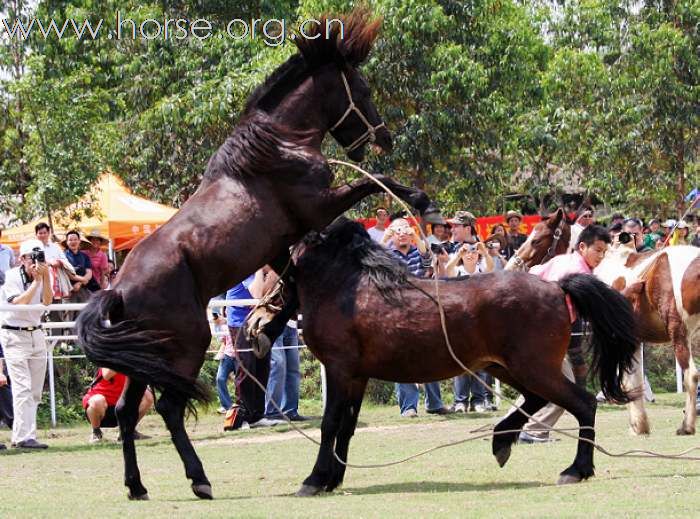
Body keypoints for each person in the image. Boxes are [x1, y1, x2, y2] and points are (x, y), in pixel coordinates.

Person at [514, 225, 610, 443]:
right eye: (598, 250)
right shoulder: (581, 273)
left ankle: (509, 427)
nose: (601, 256)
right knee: (565, 388)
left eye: (604, 252)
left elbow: (532, 274)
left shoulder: (560, 260)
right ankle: (533, 432)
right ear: (582, 246)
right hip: (547, 335)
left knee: (536, 385)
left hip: (530, 329)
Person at [387, 219, 451, 417]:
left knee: (430, 356)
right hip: (397, 311)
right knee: (402, 359)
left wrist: (414, 234)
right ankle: (409, 407)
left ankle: (434, 403)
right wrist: (386, 236)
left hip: (422, 309)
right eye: (398, 230)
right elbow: (371, 260)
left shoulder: (417, 251)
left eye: (405, 230)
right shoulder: (387, 254)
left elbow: (427, 257)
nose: (402, 233)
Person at [0, 238, 52, 449]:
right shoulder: (11, 277)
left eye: (39, 257)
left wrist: (45, 278)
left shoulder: (43, 274)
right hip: (14, 335)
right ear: (22, 258)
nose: (35, 262)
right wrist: (37, 283)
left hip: (36, 333)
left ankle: (25, 434)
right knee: (21, 387)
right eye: (32, 257)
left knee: (35, 390)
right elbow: (18, 302)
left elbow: (47, 301)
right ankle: (23, 437)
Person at [229, 267, 284, 428]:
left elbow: (268, 293)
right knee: (246, 368)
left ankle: (258, 415)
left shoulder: (260, 273)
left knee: (262, 367)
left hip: (259, 322)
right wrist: (261, 268)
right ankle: (242, 416)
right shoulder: (247, 269)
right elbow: (257, 294)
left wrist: (273, 272)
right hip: (240, 323)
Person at [445, 240, 496, 412]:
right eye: (467, 252)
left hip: (481, 323)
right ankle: (460, 401)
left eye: (474, 252)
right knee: (460, 364)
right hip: (460, 323)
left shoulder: (482, 270)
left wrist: (485, 252)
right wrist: (458, 254)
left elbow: (490, 266)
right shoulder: (458, 270)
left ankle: (478, 401)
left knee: (480, 363)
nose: (470, 254)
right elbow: (447, 270)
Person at [82, 367, 154, 443]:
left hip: (122, 406)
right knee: (96, 401)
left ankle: (127, 431)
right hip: (102, 407)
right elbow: (106, 375)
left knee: (147, 396)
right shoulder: (110, 356)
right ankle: (96, 433)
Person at [264, 323, 308, 421]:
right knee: (278, 365)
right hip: (273, 322)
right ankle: (272, 412)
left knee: (293, 369)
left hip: (291, 326)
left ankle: (290, 411)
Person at [62, 230, 96, 300]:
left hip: (83, 289)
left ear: (79, 241)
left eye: (75, 239)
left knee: (87, 309)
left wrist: (80, 283)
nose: (73, 242)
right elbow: (68, 274)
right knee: (68, 310)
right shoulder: (63, 256)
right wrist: (83, 280)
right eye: (70, 240)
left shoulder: (84, 256)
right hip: (68, 290)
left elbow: (89, 272)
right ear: (67, 242)